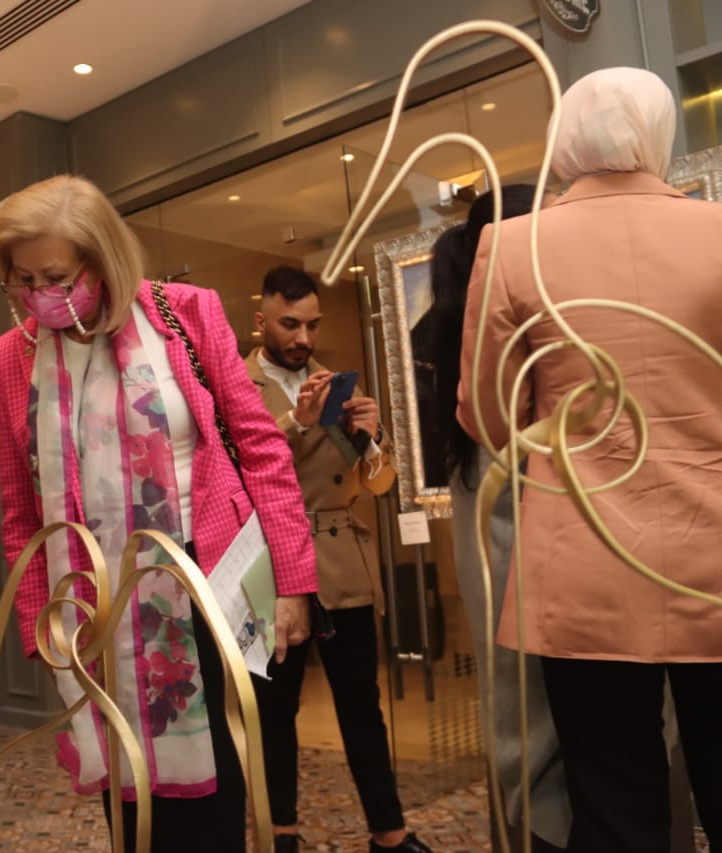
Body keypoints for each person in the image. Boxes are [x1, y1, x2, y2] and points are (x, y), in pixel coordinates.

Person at [0, 173, 318, 853]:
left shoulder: (186, 313)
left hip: (204, 586)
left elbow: (261, 449)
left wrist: (291, 582)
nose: (39, 294)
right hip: (91, 604)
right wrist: (39, 626)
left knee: (219, 795)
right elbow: (21, 507)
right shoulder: (12, 355)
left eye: (56, 277)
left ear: (101, 259)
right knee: (128, 799)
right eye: (23, 279)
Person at [457, 67, 722, 853]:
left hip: (584, 563)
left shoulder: (514, 245)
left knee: (613, 808)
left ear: (562, 141)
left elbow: (489, 418)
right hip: (715, 556)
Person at [247, 266, 429, 853]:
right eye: (289, 324)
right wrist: (298, 423)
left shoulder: (337, 385)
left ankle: (389, 832)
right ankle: (281, 832)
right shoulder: (239, 384)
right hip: (276, 564)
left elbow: (380, 483)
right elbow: (243, 469)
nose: (303, 337)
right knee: (276, 709)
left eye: (313, 324)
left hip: (343, 560)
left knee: (361, 707)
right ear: (262, 321)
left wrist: (371, 438)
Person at [427, 186, 572, 853]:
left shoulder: (476, 340)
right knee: (532, 718)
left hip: (509, 557)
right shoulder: (496, 363)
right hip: (515, 557)